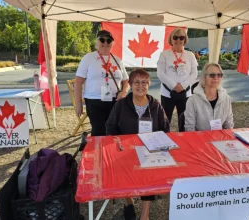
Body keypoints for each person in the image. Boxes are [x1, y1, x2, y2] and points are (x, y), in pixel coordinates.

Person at [106, 68, 170, 220]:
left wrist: (159, 145)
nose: (140, 86)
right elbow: (110, 125)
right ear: (130, 84)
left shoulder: (156, 105)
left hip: (149, 149)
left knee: (149, 175)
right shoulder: (121, 105)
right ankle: (128, 202)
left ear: (148, 85)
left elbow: (165, 128)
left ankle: (144, 214)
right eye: (136, 82)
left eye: (144, 82)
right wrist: (116, 143)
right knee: (123, 172)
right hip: (126, 149)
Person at [74, 30, 129, 136]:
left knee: (114, 130)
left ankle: (111, 152)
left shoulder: (117, 60)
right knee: (99, 131)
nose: (105, 43)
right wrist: (78, 103)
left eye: (109, 40)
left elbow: (126, 81)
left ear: (112, 43)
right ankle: (98, 151)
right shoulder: (88, 58)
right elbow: (78, 81)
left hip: (115, 101)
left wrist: (124, 92)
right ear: (97, 42)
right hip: (94, 100)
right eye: (102, 40)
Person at [157, 27, 198, 127]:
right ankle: (164, 139)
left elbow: (194, 73)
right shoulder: (164, 54)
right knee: (165, 120)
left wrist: (183, 85)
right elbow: (160, 73)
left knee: (184, 119)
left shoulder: (190, 55)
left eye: (181, 37)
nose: (178, 40)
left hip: (185, 93)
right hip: (167, 93)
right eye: (175, 37)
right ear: (171, 39)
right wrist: (174, 85)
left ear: (185, 39)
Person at [184, 63, 234, 131]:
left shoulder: (226, 99)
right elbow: (189, 128)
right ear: (204, 77)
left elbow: (229, 125)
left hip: (220, 139)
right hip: (200, 139)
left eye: (219, 75)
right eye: (212, 75)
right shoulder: (192, 100)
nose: (216, 77)